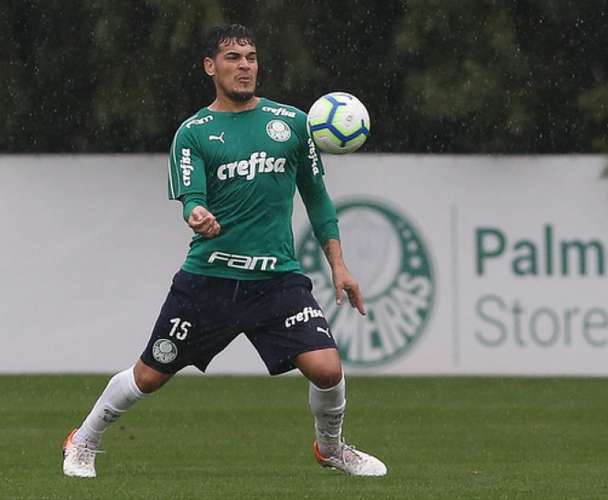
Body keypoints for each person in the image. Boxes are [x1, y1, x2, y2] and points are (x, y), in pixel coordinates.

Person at [62, 23, 387, 478]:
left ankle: (331, 448)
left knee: (328, 369)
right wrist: (197, 214)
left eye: (251, 57)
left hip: (277, 280)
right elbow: (191, 198)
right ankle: (84, 438)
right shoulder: (194, 132)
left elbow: (316, 197)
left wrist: (339, 265)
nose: (245, 66)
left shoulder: (293, 123)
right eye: (233, 58)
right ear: (210, 67)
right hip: (210, 280)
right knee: (149, 375)